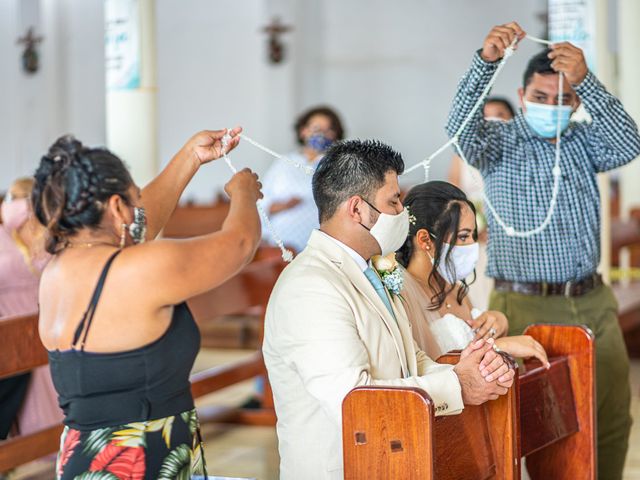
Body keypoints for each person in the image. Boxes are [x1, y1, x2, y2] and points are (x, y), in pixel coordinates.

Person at [446, 21, 640, 479]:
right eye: (540, 97)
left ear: (574, 104)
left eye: (562, 100)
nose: (551, 107)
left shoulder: (583, 141)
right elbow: (458, 129)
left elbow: (630, 142)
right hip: (524, 302)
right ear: (521, 93)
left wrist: (587, 81)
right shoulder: (498, 142)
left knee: (612, 416)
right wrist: (486, 62)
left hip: (592, 300)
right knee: (534, 423)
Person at [262, 139, 515, 480]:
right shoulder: (310, 286)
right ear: (357, 209)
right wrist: (458, 386)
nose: (402, 213)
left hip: (393, 458)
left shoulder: (373, 270)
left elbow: (412, 359)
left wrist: (469, 374)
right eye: (394, 201)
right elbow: (354, 401)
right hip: (344, 468)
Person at [33, 128, 263, 479]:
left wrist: (191, 157)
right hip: (139, 459)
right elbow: (241, 242)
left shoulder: (59, 269)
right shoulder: (138, 269)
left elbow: (137, 225)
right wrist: (244, 194)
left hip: (85, 454)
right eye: (134, 197)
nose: (139, 207)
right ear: (115, 206)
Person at [396, 181, 548, 366]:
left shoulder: (455, 289)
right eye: (463, 236)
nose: (472, 246)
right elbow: (425, 367)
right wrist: (498, 346)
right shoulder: (403, 294)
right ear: (425, 239)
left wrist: (498, 324)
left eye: (473, 236)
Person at [0, 177, 63, 445]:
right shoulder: (35, 230)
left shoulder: (41, 230)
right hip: (26, 317)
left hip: (32, 317)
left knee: (37, 384)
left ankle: (27, 447)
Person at [448, 97, 516, 310]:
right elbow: (453, 195)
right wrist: (473, 227)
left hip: (509, 237)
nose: (492, 121)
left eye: (500, 115)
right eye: (486, 116)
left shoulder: (517, 158)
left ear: (512, 119)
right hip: (473, 236)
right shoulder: (462, 156)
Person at [261, 106, 345, 253]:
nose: (321, 135)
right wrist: (281, 206)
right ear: (303, 131)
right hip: (279, 246)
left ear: (335, 135)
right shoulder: (283, 162)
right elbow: (260, 199)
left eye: (328, 130)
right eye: (316, 128)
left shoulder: (339, 166)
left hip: (321, 248)